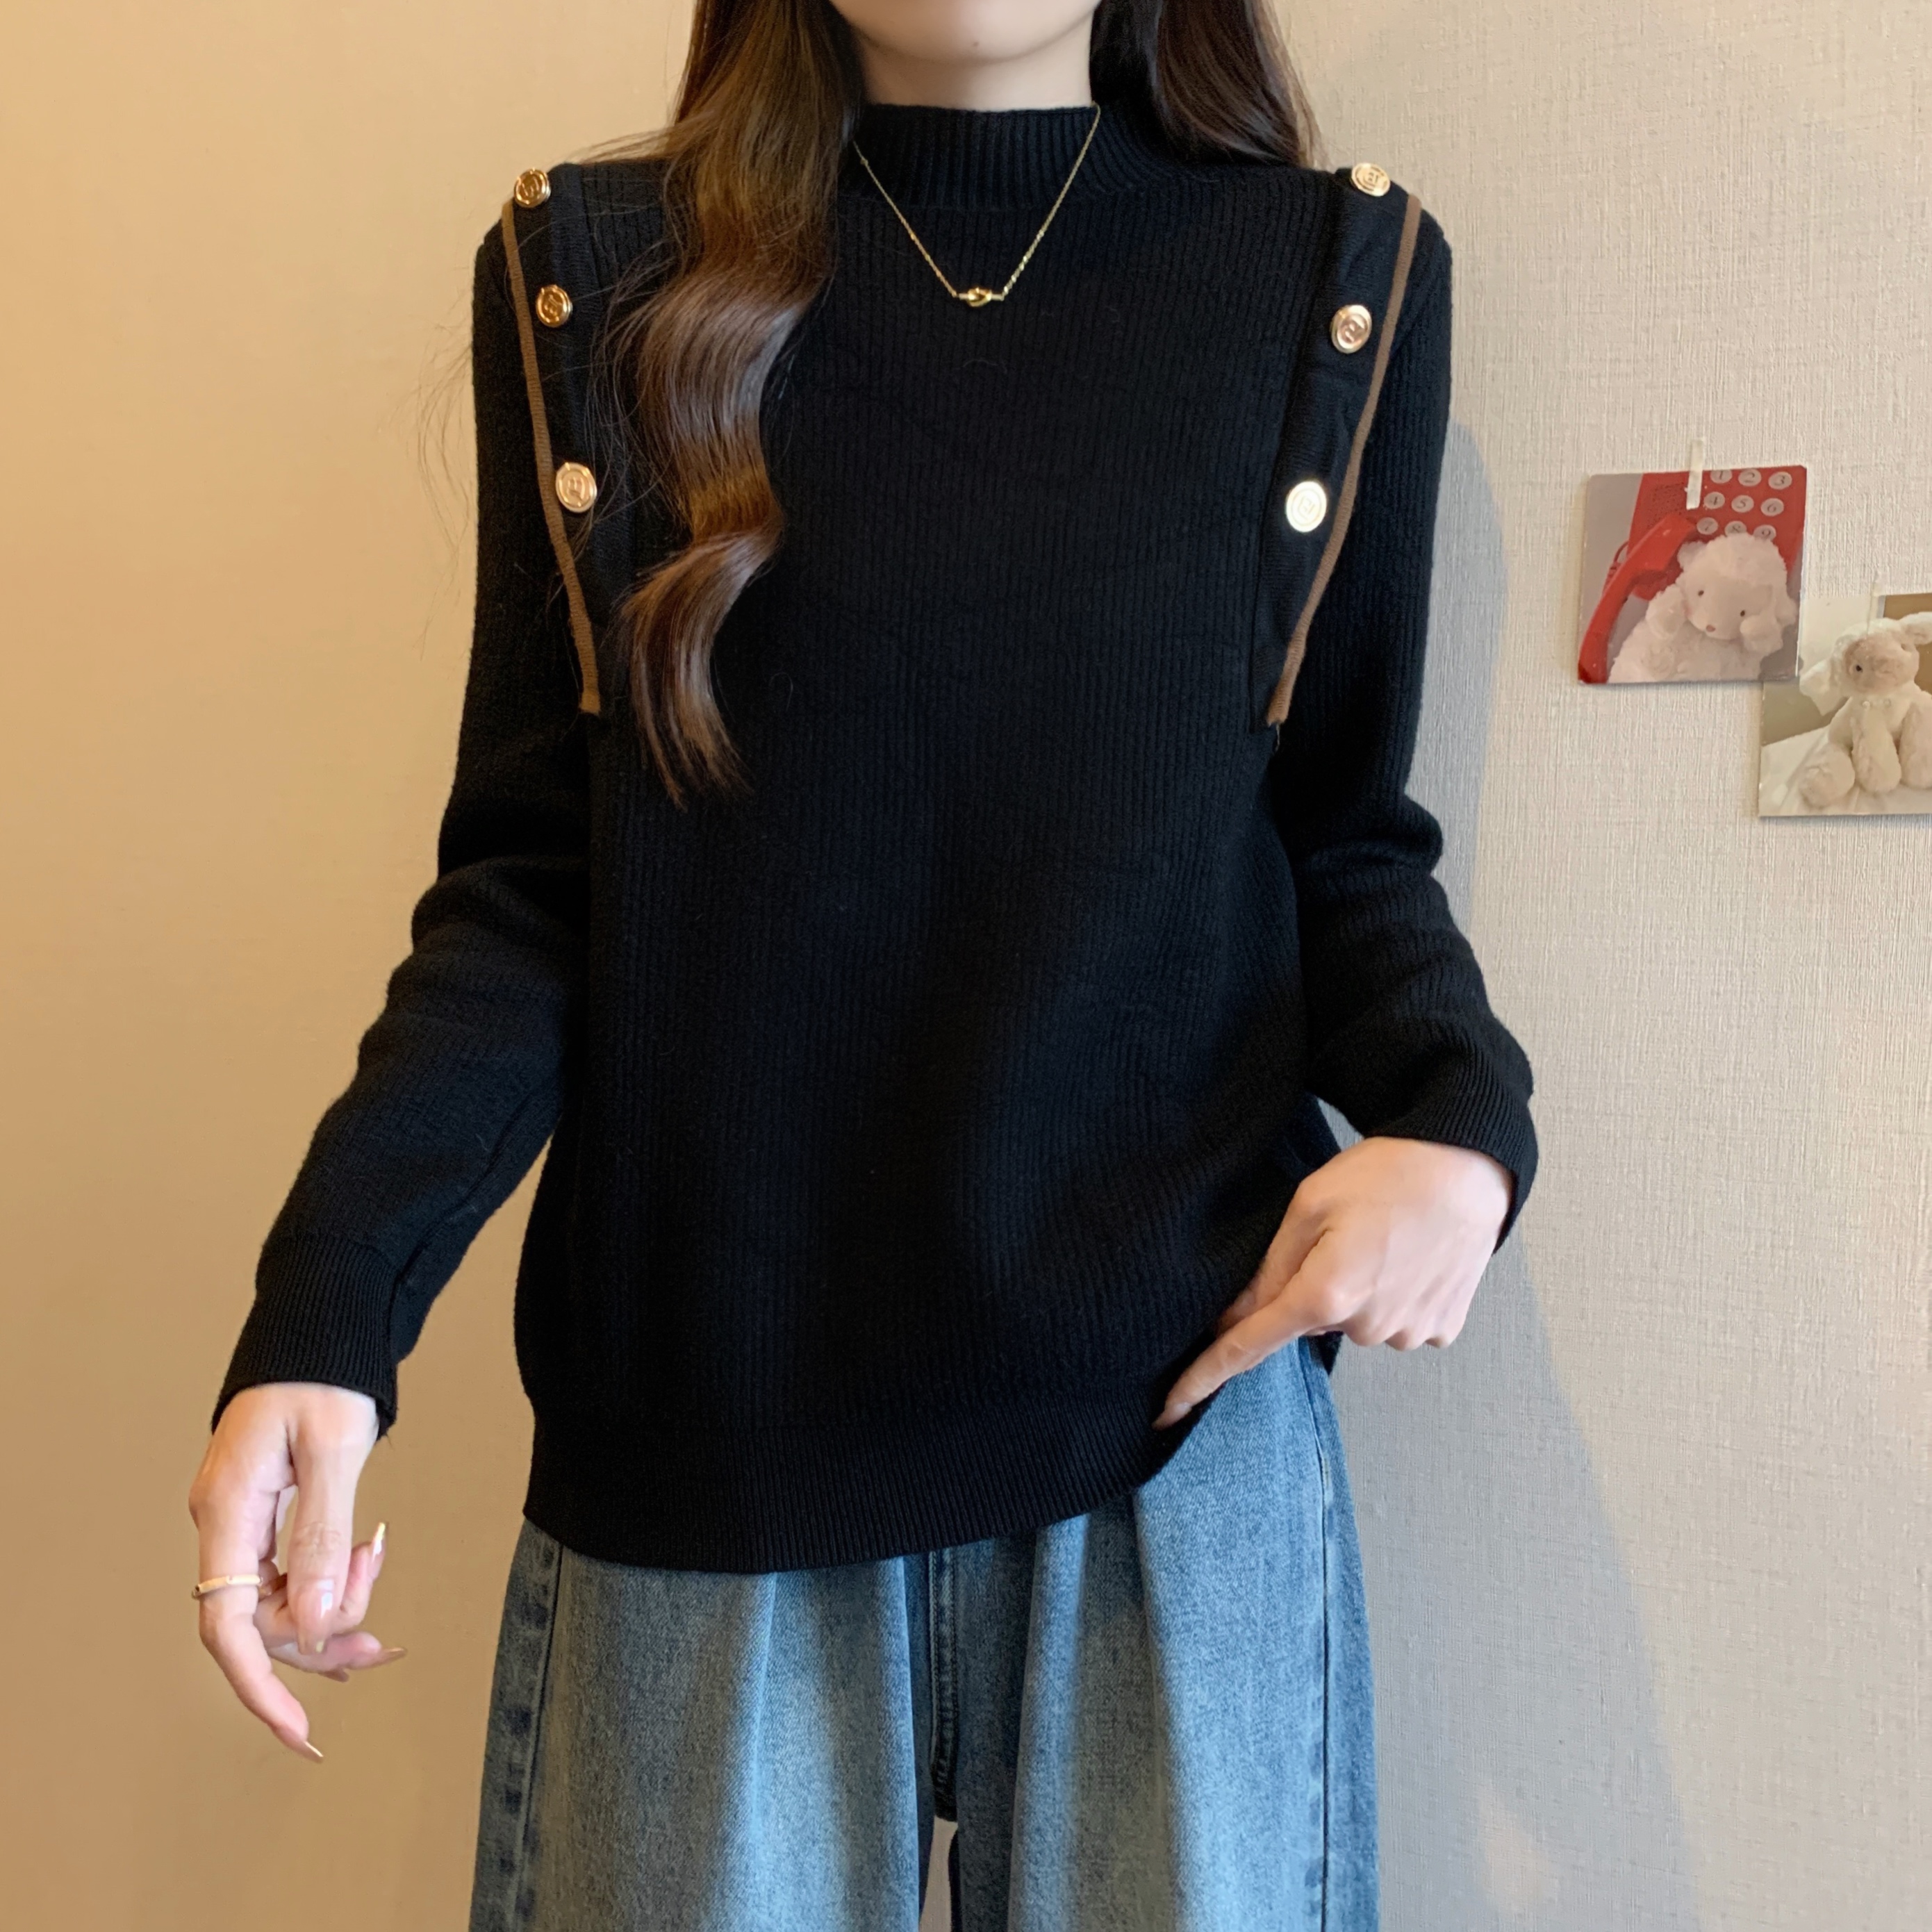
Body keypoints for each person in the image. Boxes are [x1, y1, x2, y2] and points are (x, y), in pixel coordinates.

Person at [188, 2, 1536, 1926]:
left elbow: (1335, 834)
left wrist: (1460, 1130)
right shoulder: (590, 278)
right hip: (707, 1425)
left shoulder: (1332, 281)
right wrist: (329, 1311)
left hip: (1176, 1426)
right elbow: (537, 889)